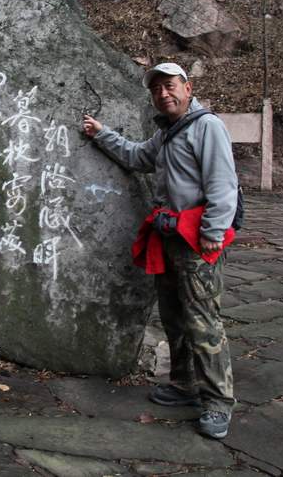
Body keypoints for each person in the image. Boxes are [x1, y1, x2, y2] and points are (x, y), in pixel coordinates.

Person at [81, 62, 238, 440]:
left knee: (203, 322)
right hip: (168, 237)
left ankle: (218, 401)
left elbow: (223, 183)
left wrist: (215, 230)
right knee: (174, 317)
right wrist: (102, 134)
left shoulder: (206, 126)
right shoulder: (168, 133)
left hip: (197, 239)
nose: (163, 94)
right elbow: (137, 157)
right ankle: (184, 383)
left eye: (169, 86)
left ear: (188, 88)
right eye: (156, 90)